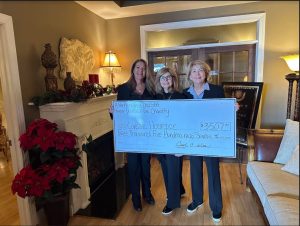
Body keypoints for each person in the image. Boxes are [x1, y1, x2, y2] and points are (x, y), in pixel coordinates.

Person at [183, 60, 224, 223]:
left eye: (201, 70)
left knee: (213, 171)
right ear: (189, 75)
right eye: (194, 71)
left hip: (211, 138)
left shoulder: (217, 90)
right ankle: (197, 200)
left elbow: (223, 114)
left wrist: (232, 108)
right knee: (194, 169)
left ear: (206, 73)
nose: (198, 74)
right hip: (193, 138)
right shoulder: (184, 93)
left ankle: (216, 207)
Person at [112, 59, 156, 212]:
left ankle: (147, 194)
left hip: (146, 135)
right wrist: (113, 113)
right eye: (138, 67)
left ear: (146, 71)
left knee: (145, 165)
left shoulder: (151, 89)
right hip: (131, 136)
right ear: (133, 69)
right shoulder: (123, 89)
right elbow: (120, 114)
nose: (140, 70)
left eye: (143, 68)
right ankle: (136, 199)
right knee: (133, 167)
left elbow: (156, 112)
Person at [154, 67, 186, 215]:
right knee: (167, 167)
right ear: (159, 81)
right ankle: (179, 190)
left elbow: (187, 121)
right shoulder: (156, 98)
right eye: (162, 78)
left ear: (173, 79)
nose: (166, 80)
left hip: (175, 139)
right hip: (160, 139)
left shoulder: (181, 96)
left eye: (168, 77)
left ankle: (172, 202)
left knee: (171, 170)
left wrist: (182, 145)